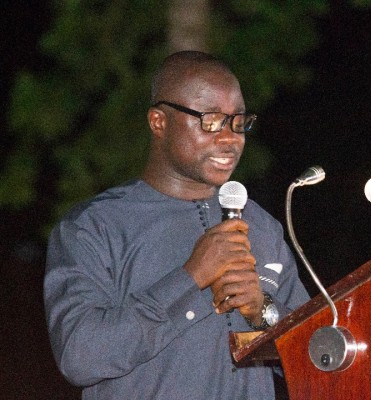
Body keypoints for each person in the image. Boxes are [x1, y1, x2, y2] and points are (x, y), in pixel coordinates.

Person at [44, 51, 310, 399]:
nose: (231, 138)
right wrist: (191, 277)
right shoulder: (94, 227)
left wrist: (264, 312)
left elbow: (315, 355)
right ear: (159, 122)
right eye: (211, 121)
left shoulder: (262, 227)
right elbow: (80, 356)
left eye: (239, 121)